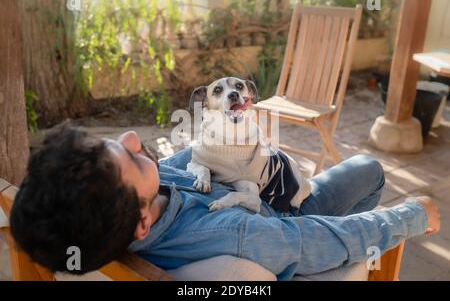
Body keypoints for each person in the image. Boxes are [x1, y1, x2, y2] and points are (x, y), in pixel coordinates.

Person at [10, 124, 440, 280]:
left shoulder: (126, 215)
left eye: (112, 143)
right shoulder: (234, 237)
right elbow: (310, 240)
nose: (132, 138)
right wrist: (412, 214)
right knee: (370, 170)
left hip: (251, 193)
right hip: (283, 216)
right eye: (133, 158)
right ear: (141, 223)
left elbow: (191, 159)